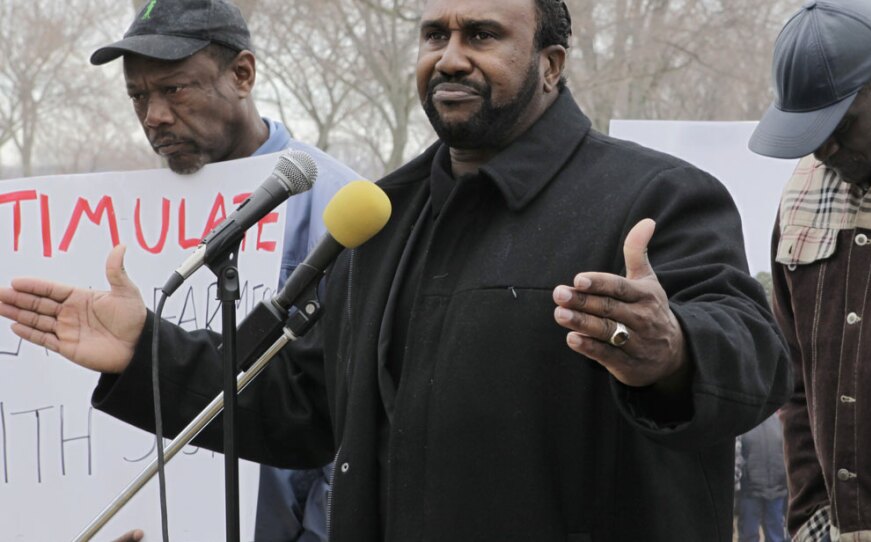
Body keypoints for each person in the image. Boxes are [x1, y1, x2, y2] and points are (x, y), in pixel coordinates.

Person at [0, 0, 791, 539]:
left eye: (482, 35)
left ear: (552, 64)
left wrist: (675, 350)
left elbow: (757, 363)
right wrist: (146, 351)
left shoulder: (654, 196)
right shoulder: (381, 215)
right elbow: (302, 399)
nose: (450, 57)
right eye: (433, 35)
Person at [89, 0, 355, 539]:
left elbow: (344, 411)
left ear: (242, 74)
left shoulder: (336, 206)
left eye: (175, 88)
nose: (154, 115)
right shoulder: (122, 212)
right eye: (138, 95)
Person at [749, 1, 871, 540]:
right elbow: (795, 379)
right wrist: (810, 519)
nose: (823, 148)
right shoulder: (801, 199)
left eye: (840, 124)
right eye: (809, 130)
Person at [736, 414, 788, 542]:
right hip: (750, 493)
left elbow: (786, 452)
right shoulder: (744, 422)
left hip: (777, 492)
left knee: (776, 537)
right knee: (749, 536)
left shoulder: (779, 421)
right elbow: (737, 456)